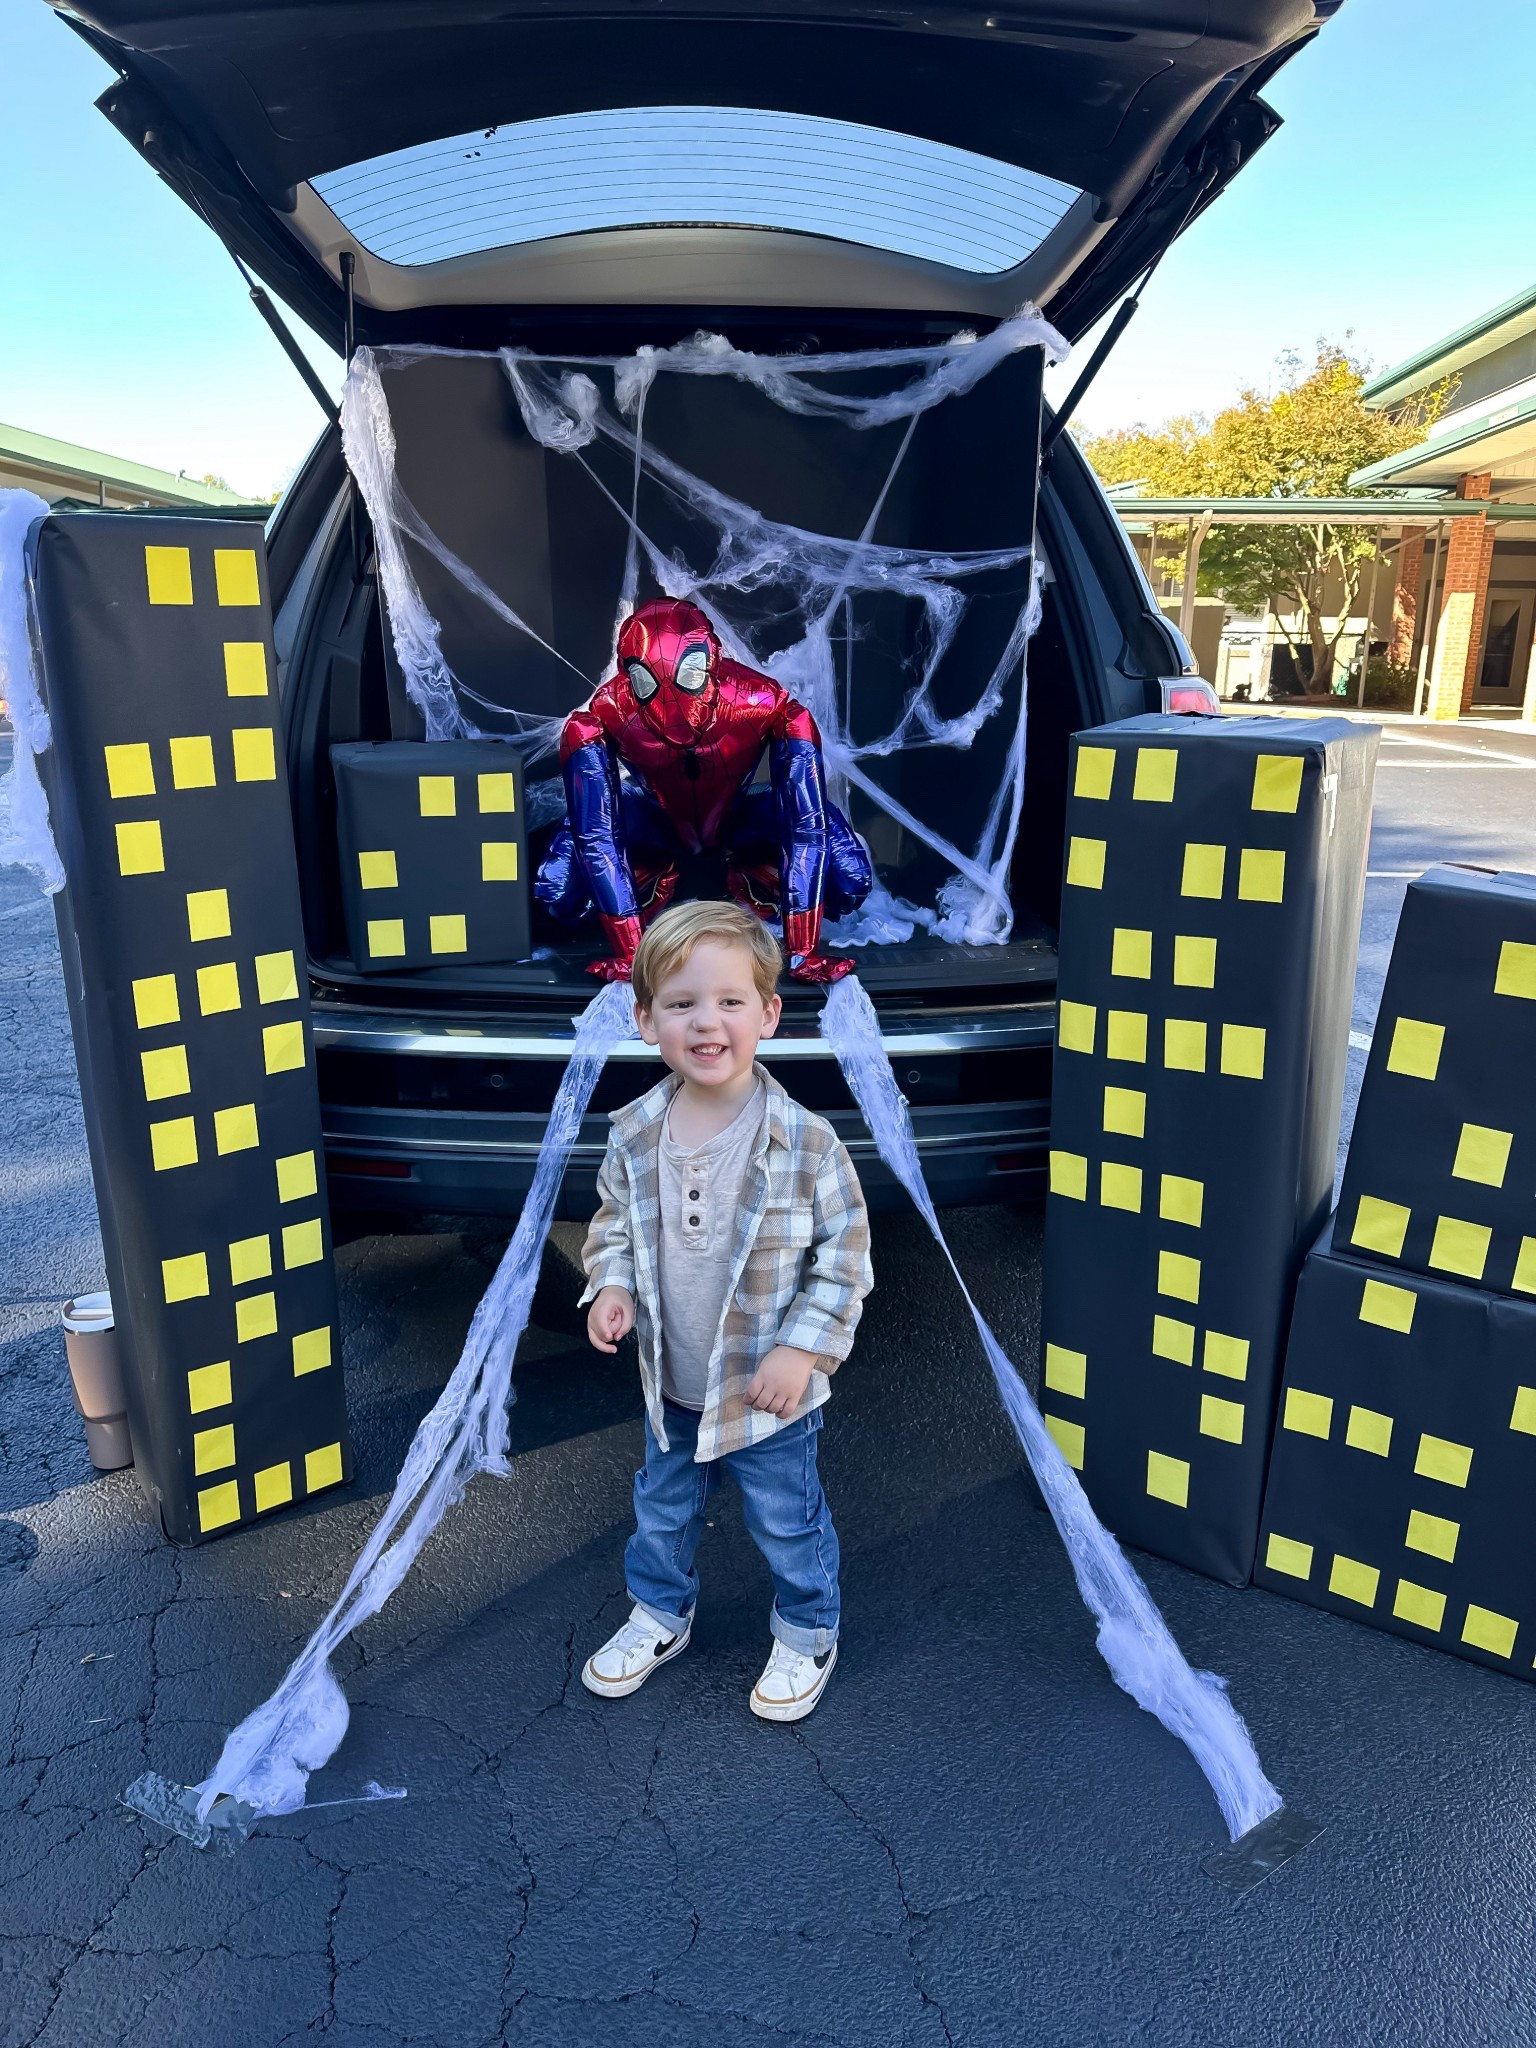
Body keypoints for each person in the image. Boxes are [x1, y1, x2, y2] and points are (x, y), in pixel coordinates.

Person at [578, 898, 873, 1720]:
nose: (707, 1023)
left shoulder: (807, 1141)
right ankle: (660, 1612)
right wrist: (612, 1287)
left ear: (769, 1014)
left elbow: (845, 1259)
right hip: (670, 1385)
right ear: (644, 1021)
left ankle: (810, 1628)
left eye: (730, 1001)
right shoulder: (635, 1131)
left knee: (787, 1518)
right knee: (661, 1512)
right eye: (680, 1004)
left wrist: (803, 1352)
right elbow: (612, 1226)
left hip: (765, 1394)